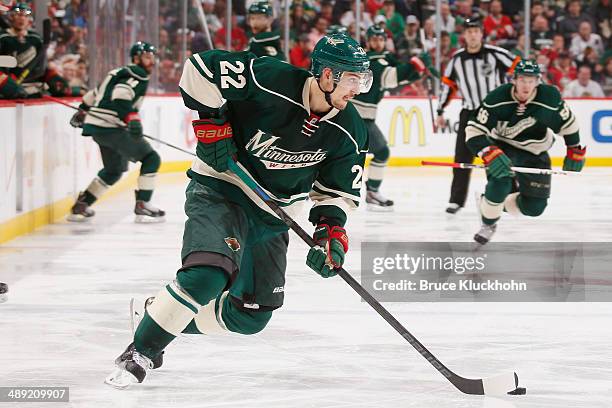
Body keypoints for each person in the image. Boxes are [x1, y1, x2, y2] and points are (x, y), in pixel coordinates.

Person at [104, 33, 372, 388]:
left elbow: (336, 192)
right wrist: (213, 123)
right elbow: (200, 69)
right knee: (206, 276)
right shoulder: (269, 77)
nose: (358, 88)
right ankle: (141, 351)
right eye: (352, 79)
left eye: (363, 79)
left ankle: (157, 313)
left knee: (251, 315)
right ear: (326, 75)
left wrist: (330, 232)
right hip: (221, 190)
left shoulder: (350, 129)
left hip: (273, 215)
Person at [465, 60, 585, 245]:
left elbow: (568, 125)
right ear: (514, 80)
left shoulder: (549, 98)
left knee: (534, 208)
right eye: (522, 79)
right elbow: (474, 130)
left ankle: (487, 202)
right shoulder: (497, 98)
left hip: (535, 151)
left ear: (538, 81)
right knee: (500, 183)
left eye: (531, 80)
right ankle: (488, 224)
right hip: (502, 148)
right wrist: (487, 151)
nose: (526, 85)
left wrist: (574, 150)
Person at [67, 42, 165, 223]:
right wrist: (132, 119)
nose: (151, 62)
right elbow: (120, 95)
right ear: (136, 58)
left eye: (153, 58)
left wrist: (83, 110)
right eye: (147, 57)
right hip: (110, 125)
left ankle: (82, 205)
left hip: (97, 126)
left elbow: (94, 94)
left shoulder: (117, 72)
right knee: (151, 159)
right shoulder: (138, 73)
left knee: (113, 170)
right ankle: (143, 203)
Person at [436, 16, 519, 214]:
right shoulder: (457, 59)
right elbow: (448, 86)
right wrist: (440, 110)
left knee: (501, 155)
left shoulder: (496, 54)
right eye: (469, 31)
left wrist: (515, 97)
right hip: (470, 114)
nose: (472, 35)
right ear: (464, 35)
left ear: (482, 33)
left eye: (476, 31)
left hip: (496, 113)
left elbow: (519, 68)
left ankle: (508, 196)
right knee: (462, 157)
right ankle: (456, 200)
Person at [352, 25, 434, 210]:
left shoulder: (382, 59)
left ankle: (371, 191)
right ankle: (371, 191)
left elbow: (401, 78)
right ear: (368, 41)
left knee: (373, 153)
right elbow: (393, 77)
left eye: (381, 39)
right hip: (356, 117)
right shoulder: (369, 60)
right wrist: (418, 63)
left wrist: (419, 69)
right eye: (374, 39)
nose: (377, 42)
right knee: (377, 153)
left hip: (363, 117)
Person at [0, 3, 78, 98]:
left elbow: (42, 67)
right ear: (11, 17)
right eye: (18, 15)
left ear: (30, 20)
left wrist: (53, 78)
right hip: (9, 94)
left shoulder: (35, 39)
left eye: (26, 15)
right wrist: (5, 83)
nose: (22, 18)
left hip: (34, 90)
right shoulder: (3, 38)